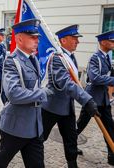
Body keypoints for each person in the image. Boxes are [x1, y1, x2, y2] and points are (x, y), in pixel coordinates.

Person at [0, 19, 52, 168]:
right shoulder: (12, 61)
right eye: (32, 37)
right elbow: (13, 93)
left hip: (35, 126)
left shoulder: (33, 59)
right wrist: (41, 93)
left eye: (37, 37)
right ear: (19, 38)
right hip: (16, 126)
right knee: (0, 163)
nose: (36, 41)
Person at [41, 25, 99, 168]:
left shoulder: (70, 57)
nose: (77, 42)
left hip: (67, 108)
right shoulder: (57, 58)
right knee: (39, 138)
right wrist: (86, 99)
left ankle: (72, 164)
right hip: (52, 107)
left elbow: (76, 83)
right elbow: (65, 83)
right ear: (63, 40)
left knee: (71, 139)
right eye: (74, 38)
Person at [76, 30, 114, 166]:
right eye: (111, 41)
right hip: (92, 98)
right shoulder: (95, 58)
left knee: (110, 127)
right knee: (81, 124)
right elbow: (95, 78)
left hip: (103, 99)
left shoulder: (107, 57)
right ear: (103, 42)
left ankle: (112, 154)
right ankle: (71, 145)